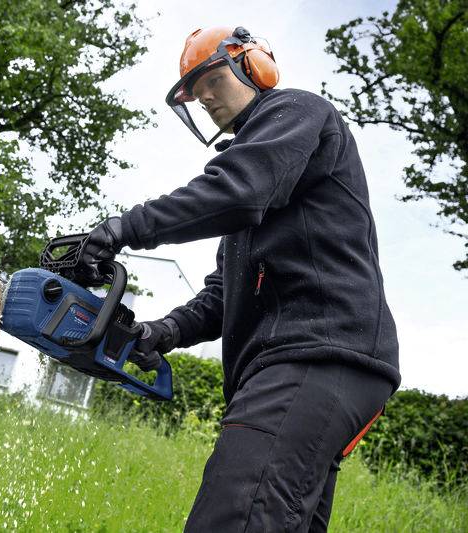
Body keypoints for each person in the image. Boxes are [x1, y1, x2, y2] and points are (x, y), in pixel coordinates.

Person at [77, 26, 401, 532]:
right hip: (317, 367)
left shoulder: (296, 114)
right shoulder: (256, 195)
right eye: (192, 92)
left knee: (234, 516)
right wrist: (160, 332)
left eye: (211, 80)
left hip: (316, 353)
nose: (204, 97)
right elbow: (222, 296)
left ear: (253, 66)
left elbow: (237, 188)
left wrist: (123, 228)